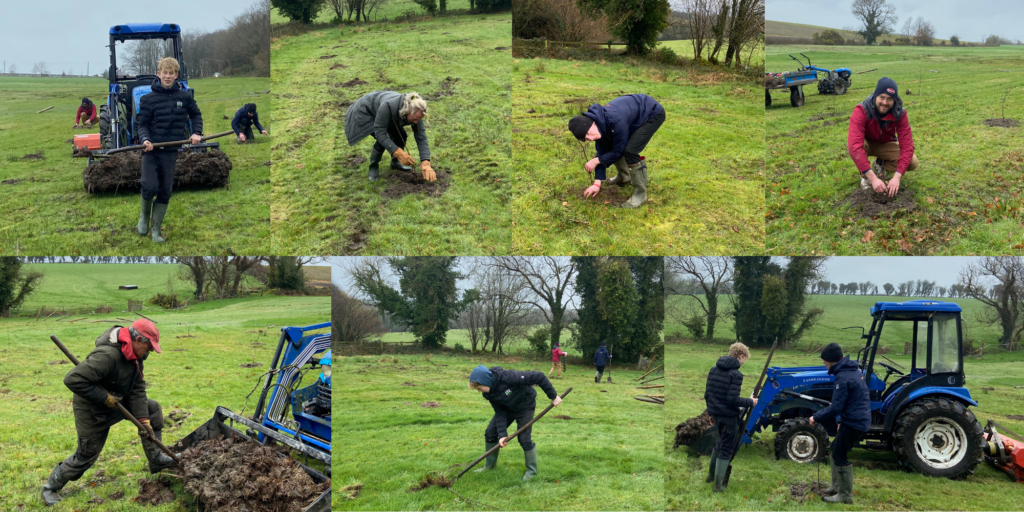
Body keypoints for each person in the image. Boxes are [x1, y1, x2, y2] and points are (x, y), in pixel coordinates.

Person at [41, 320, 175, 506]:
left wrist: (144, 421)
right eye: (149, 346)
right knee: (86, 455)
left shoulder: (135, 356)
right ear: (137, 339)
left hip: (116, 399)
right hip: (92, 408)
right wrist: (104, 398)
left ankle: (157, 459)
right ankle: (50, 488)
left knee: (151, 409)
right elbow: (73, 379)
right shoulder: (108, 355)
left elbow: (137, 388)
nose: (150, 351)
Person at [135, 57, 203, 243]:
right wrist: (145, 139)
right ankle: (144, 218)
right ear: (158, 74)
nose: (167, 76)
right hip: (151, 151)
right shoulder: (148, 99)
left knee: (165, 191)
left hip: (170, 151)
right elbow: (142, 124)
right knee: (149, 187)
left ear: (176, 75)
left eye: (171, 73)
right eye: (164, 72)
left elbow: (196, 115)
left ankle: (155, 231)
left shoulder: (185, 97)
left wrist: (196, 132)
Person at [568, 94, 665, 208]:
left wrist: (596, 161)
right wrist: (597, 183)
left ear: (593, 123)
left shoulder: (615, 121)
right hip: (632, 114)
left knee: (630, 150)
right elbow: (602, 152)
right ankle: (624, 177)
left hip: (652, 113)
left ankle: (640, 194)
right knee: (613, 145)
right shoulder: (600, 125)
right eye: (586, 138)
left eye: (588, 133)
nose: (590, 138)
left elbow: (618, 151)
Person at [467, 365, 561, 480]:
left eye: (479, 387)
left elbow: (539, 376)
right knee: (490, 432)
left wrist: (553, 396)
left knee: (524, 438)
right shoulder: (488, 394)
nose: (479, 391)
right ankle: (489, 466)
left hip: (525, 407)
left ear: (486, 381)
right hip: (507, 410)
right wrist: (502, 435)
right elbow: (500, 411)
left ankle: (531, 471)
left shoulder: (509, 377)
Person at [809, 343, 870, 505]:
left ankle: (844, 495)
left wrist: (815, 417)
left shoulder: (843, 377)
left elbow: (835, 407)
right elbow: (852, 402)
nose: (823, 363)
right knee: (834, 449)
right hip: (854, 420)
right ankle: (836, 486)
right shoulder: (852, 371)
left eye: (824, 360)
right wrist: (841, 421)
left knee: (840, 455)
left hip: (855, 423)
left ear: (830, 360)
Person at [847, 77, 917, 198]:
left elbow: (907, 146)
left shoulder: (900, 113)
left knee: (912, 162)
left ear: (894, 100)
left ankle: (880, 163)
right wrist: (873, 179)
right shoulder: (862, 110)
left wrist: (897, 177)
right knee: (858, 145)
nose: (885, 102)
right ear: (875, 96)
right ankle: (865, 177)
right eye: (882, 97)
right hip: (866, 143)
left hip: (885, 143)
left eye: (889, 99)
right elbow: (854, 146)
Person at [344, 91, 435, 183]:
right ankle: (373, 166)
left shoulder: (417, 111)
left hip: (389, 113)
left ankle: (395, 163)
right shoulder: (387, 107)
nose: (416, 122)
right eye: (415, 119)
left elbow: (421, 137)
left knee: (402, 135)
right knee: (382, 141)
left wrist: (425, 162)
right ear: (407, 110)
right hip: (367, 111)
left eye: (418, 120)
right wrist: (399, 153)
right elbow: (380, 133)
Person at [703, 342, 758, 493]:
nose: (743, 362)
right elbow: (732, 399)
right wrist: (751, 402)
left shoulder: (714, 369)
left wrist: (711, 413)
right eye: (744, 359)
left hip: (717, 415)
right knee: (727, 448)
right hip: (728, 417)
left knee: (720, 443)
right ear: (741, 356)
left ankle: (710, 476)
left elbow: (707, 395)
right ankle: (718, 486)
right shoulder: (736, 374)